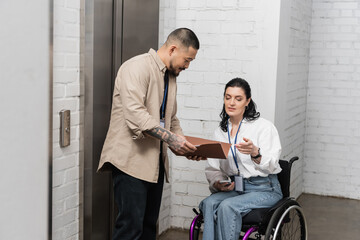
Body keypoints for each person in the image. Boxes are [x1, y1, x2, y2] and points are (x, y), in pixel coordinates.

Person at [97, 28, 200, 240]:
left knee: (148, 229)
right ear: (173, 49)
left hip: (154, 165)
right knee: (130, 229)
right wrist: (174, 140)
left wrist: (185, 147)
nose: (187, 66)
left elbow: (171, 118)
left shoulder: (171, 76)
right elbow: (136, 115)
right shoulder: (135, 67)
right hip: (130, 163)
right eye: (187, 59)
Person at [199, 77, 283, 240]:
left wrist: (255, 153)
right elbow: (213, 168)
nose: (232, 103)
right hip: (237, 187)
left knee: (228, 207)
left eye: (238, 99)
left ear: (247, 101)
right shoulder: (220, 132)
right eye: (228, 97)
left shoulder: (264, 127)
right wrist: (218, 182)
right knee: (209, 203)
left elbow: (272, 165)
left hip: (265, 188)